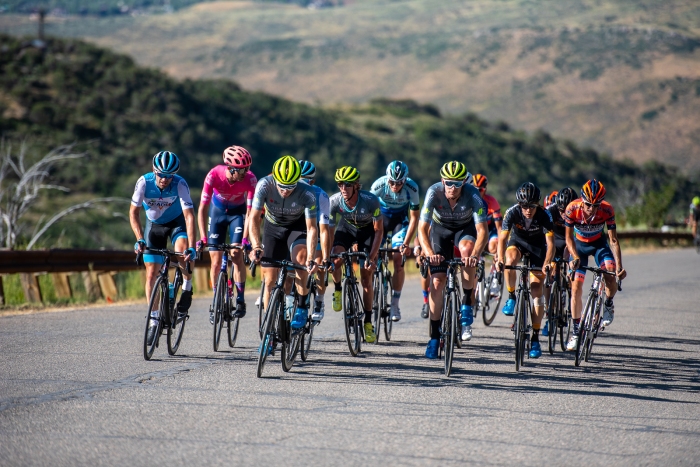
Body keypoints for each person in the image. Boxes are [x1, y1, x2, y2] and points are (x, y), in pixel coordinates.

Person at [418, 161, 488, 358]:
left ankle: (466, 302)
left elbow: (482, 231)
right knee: (437, 281)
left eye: (457, 184)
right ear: (442, 180)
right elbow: (422, 229)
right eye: (449, 183)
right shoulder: (433, 192)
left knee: (466, 252)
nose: (452, 187)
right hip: (440, 231)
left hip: (464, 230)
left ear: (464, 183)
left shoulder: (473, 195)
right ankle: (433, 337)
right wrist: (430, 253)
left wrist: (475, 256)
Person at [130, 151, 196, 346]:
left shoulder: (180, 184)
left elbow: (189, 216)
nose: (165, 180)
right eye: (161, 175)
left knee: (182, 252)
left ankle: (187, 288)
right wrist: (140, 239)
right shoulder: (144, 182)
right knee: (151, 274)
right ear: (154, 171)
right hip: (154, 227)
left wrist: (192, 247)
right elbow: (133, 213)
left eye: (169, 176)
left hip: (176, 224)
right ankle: (154, 318)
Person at [247, 156, 319, 330]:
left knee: (300, 261)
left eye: (290, 187)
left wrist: (311, 257)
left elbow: (312, 229)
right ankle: (268, 328)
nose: (286, 191)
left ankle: (301, 307)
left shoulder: (307, 193)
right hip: (273, 228)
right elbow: (254, 218)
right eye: (282, 186)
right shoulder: (264, 185)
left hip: (297, 227)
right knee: (270, 279)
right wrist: (256, 245)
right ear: (274, 179)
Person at [196, 146, 257, 324]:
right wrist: (203, 237)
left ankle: (240, 298)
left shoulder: (251, 179)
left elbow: (251, 211)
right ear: (231, 168)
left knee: (236, 253)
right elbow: (202, 209)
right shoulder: (214, 174)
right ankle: (216, 299)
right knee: (215, 261)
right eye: (242, 169)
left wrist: (245, 239)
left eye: (247, 168)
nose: (246, 172)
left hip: (237, 215)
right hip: (217, 213)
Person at [564, 179, 627, 351]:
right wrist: (575, 256)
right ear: (582, 200)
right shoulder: (572, 208)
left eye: (595, 205)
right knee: (576, 288)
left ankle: (608, 303)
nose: (591, 209)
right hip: (579, 248)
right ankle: (576, 332)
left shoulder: (607, 209)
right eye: (588, 204)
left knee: (610, 271)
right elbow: (568, 239)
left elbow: (613, 240)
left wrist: (619, 266)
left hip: (599, 245)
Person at [497, 182, 555, 359]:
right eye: (524, 206)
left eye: (532, 206)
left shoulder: (545, 215)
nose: (528, 210)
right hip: (518, 242)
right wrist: (499, 258)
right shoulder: (512, 212)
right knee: (510, 259)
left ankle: (536, 338)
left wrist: (547, 263)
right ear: (519, 204)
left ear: (537, 204)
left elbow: (551, 245)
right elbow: (502, 239)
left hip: (538, 248)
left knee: (537, 291)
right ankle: (512, 297)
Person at [330, 166, 383, 343]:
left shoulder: (370, 201)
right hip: (346, 230)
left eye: (347, 185)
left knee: (366, 278)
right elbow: (329, 230)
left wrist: (372, 256)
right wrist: (328, 254)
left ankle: (368, 321)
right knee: (335, 261)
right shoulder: (335, 201)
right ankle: (338, 289)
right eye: (340, 184)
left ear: (356, 186)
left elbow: (378, 231)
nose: (343, 189)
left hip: (367, 233)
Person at [370, 160, 420, 322]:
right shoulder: (378, 185)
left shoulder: (412, 188)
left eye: (399, 183)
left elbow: (414, 218)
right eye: (392, 182)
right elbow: (368, 213)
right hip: (381, 219)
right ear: (387, 178)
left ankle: (395, 304)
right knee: (372, 257)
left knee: (398, 260)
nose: (395, 185)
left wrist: (406, 243)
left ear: (405, 180)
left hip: (400, 220)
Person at [298, 159, 332, 321]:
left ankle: (319, 298)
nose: (303, 185)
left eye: (307, 181)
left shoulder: (321, 196)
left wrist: (325, 257)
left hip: (316, 230)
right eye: (299, 180)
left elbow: (324, 230)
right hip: (298, 230)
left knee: (318, 263)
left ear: (313, 181)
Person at [542, 186, 576, 337]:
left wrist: (571, 262)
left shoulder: (577, 211)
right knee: (550, 274)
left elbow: (575, 240)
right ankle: (549, 314)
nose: (563, 214)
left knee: (570, 270)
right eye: (561, 210)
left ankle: (567, 294)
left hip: (570, 241)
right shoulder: (550, 210)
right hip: (554, 239)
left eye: (566, 210)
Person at [472, 174, 502, 255]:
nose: (477, 192)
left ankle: (495, 266)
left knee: (494, 247)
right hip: (473, 229)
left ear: (485, 189)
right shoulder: (467, 201)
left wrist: (500, 252)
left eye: (480, 190)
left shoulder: (492, 202)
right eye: (475, 189)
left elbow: (499, 227)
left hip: (489, 229)